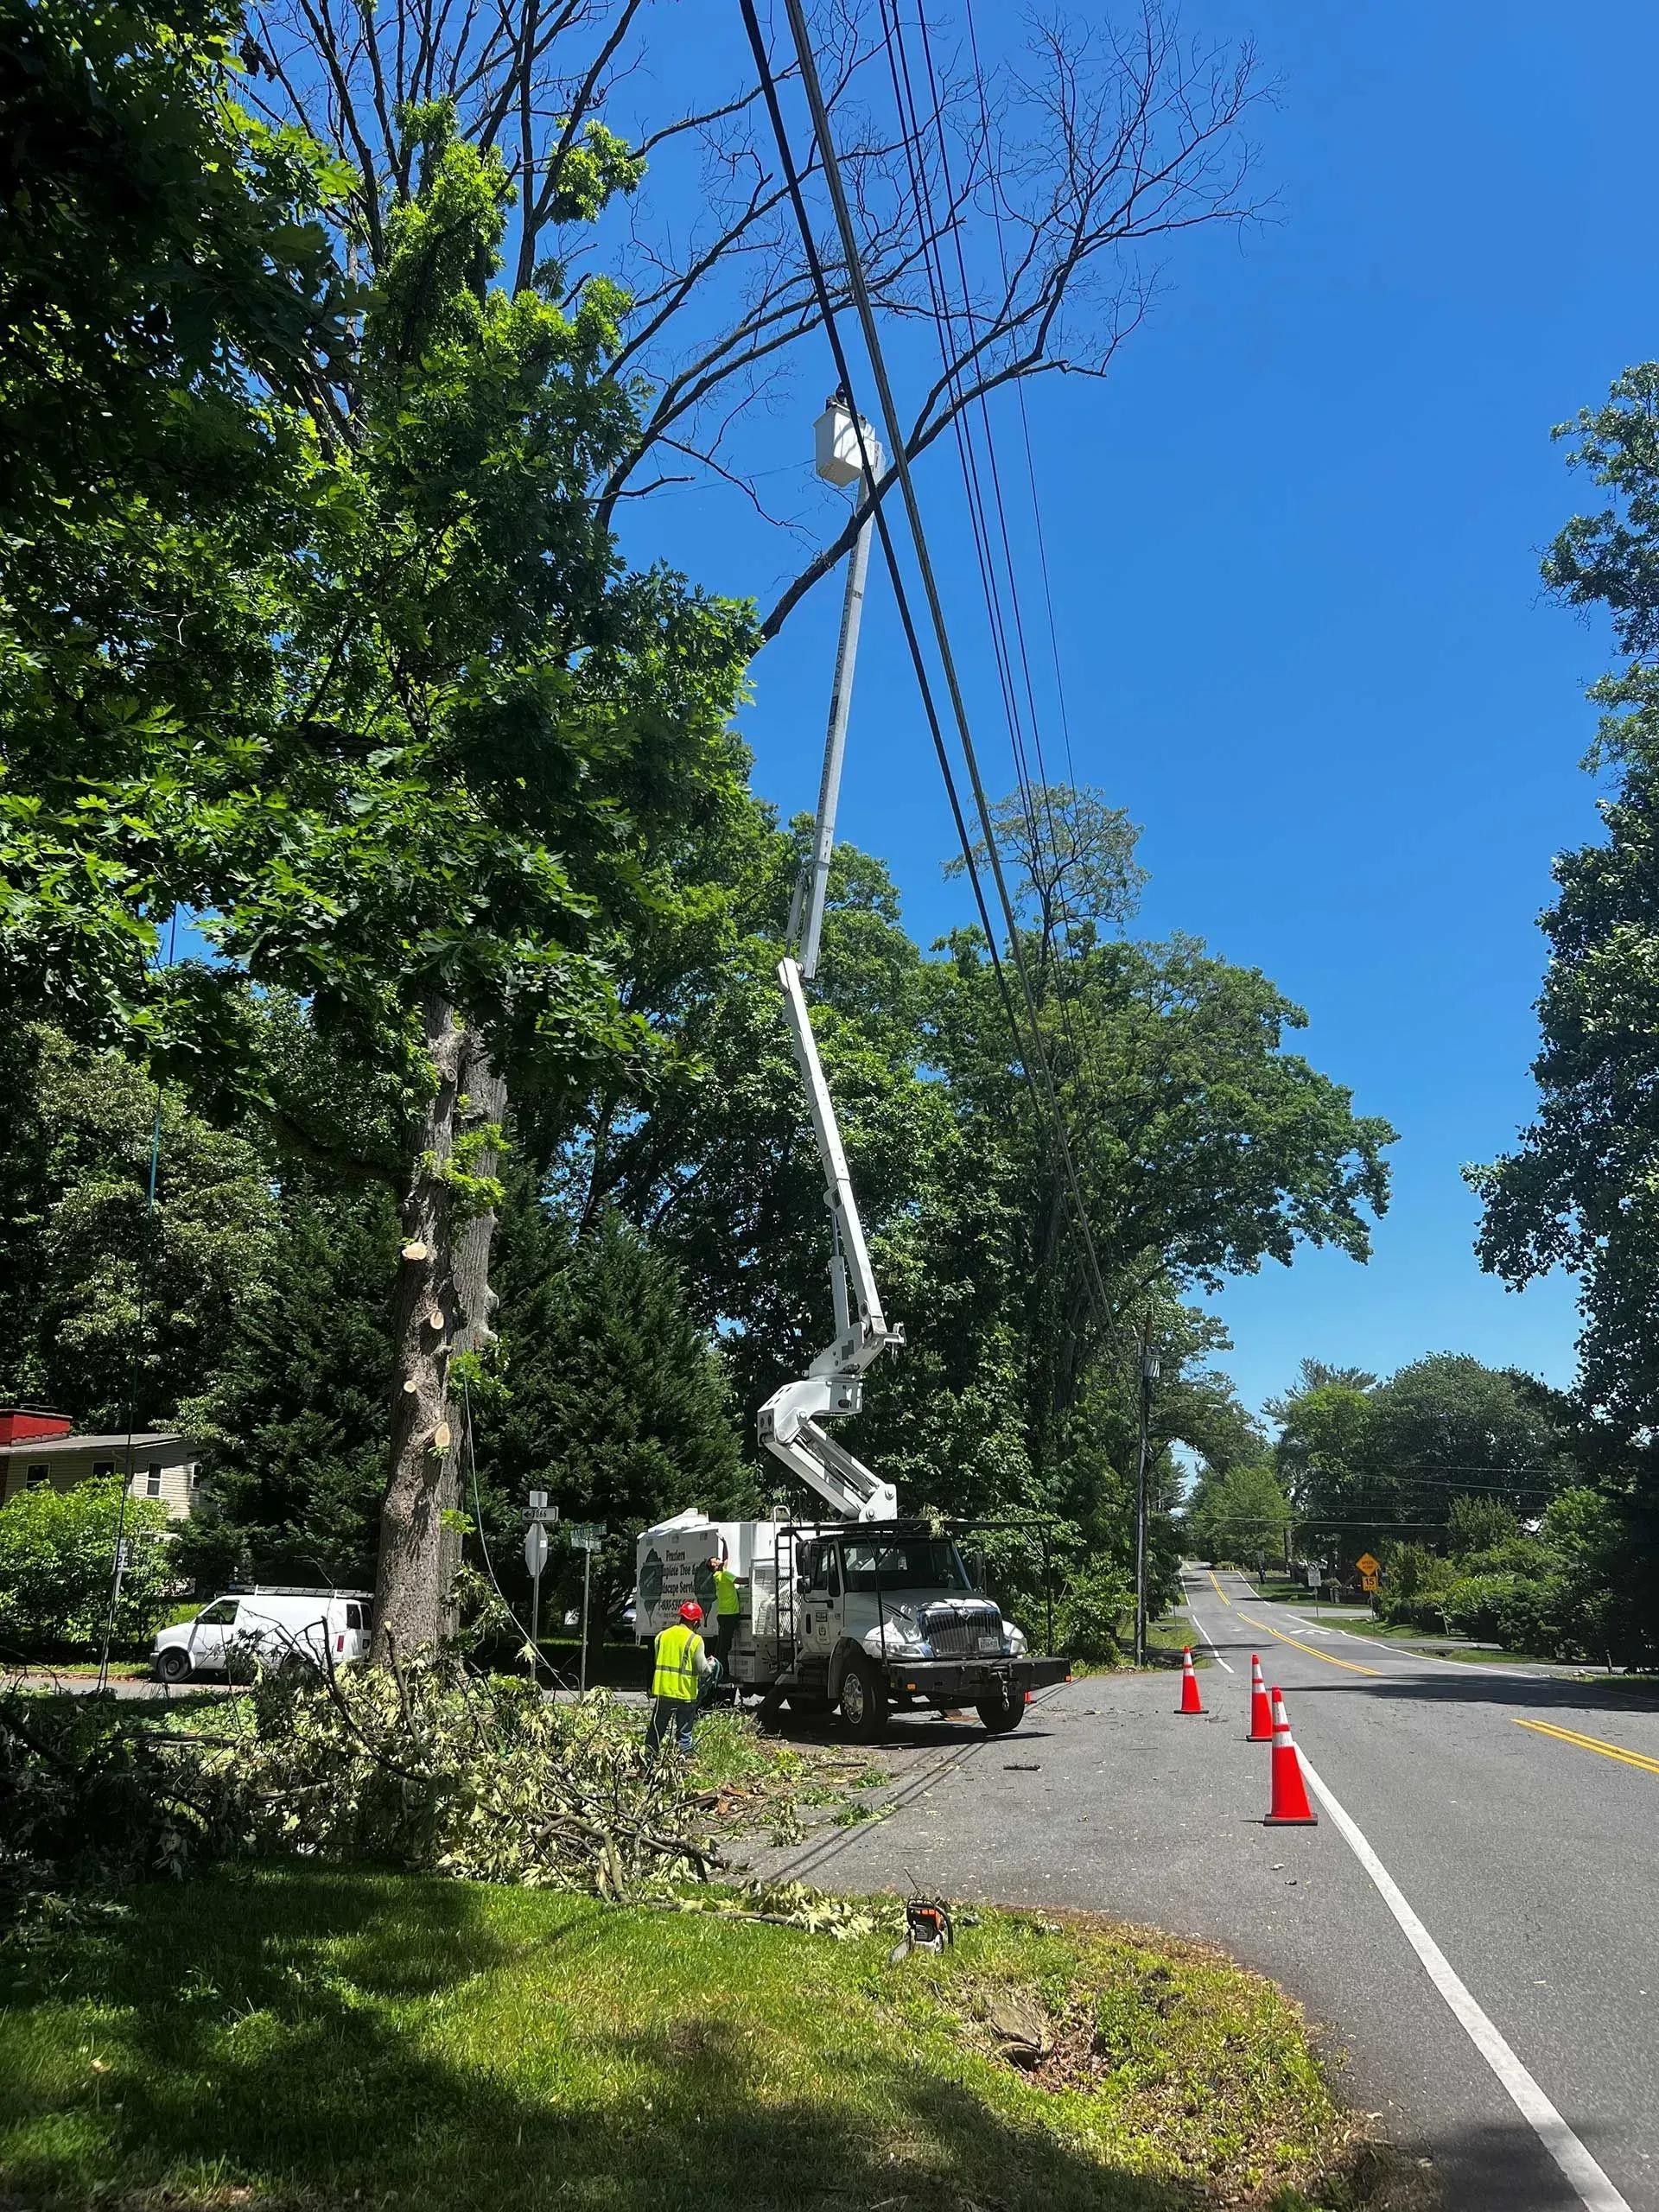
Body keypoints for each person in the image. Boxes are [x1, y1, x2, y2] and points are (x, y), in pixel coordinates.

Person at [646, 1600, 710, 1758]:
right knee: (684, 1735)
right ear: (696, 1622)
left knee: (656, 1730)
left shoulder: (662, 1636)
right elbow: (702, 1669)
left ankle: (646, 1761)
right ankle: (681, 1766)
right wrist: (712, 1667)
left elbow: (656, 1662)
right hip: (685, 1694)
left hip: (664, 1691)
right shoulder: (695, 1640)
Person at [708, 1554, 743, 1674]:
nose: (719, 1560)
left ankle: (720, 1671)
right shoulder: (724, 1575)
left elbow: (726, 1559)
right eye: (716, 1560)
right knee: (725, 1647)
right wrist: (754, 1579)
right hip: (729, 1615)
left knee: (722, 1646)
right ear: (714, 1565)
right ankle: (724, 1674)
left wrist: (724, 1542)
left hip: (724, 1615)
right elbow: (740, 1580)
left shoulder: (717, 1575)